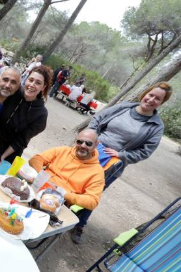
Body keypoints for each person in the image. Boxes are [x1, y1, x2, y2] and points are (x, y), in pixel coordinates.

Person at [73, 82, 173, 243]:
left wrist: (121, 154)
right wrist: (90, 138)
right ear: (145, 93)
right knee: (70, 179)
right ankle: (57, 207)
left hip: (112, 163)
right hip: (90, 150)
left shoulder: (156, 126)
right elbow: (98, 118)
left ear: (162, 102)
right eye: (151, 94)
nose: (151, 99)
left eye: (158, 98)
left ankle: (79, 224)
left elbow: (145, 151)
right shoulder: (125, 107)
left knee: (94, 192)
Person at [29, 129, 105, 243]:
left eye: (88, 143)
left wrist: (63, 193)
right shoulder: (63, 151)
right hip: (39, 187)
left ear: (96, 145)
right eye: (79, 142)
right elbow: (36, 159)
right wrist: (44, 177)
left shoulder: (97, 171)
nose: (82, 146)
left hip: (59, 202)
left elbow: (93, 201)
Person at [0, 66, 52, 164]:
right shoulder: (15, 90)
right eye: (31, 80)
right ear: (26, 80)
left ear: (43, 87)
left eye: (38, 83)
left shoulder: (41, 114)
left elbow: (22, 140)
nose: (32, 85)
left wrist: (2, 157)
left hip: (9, 152)